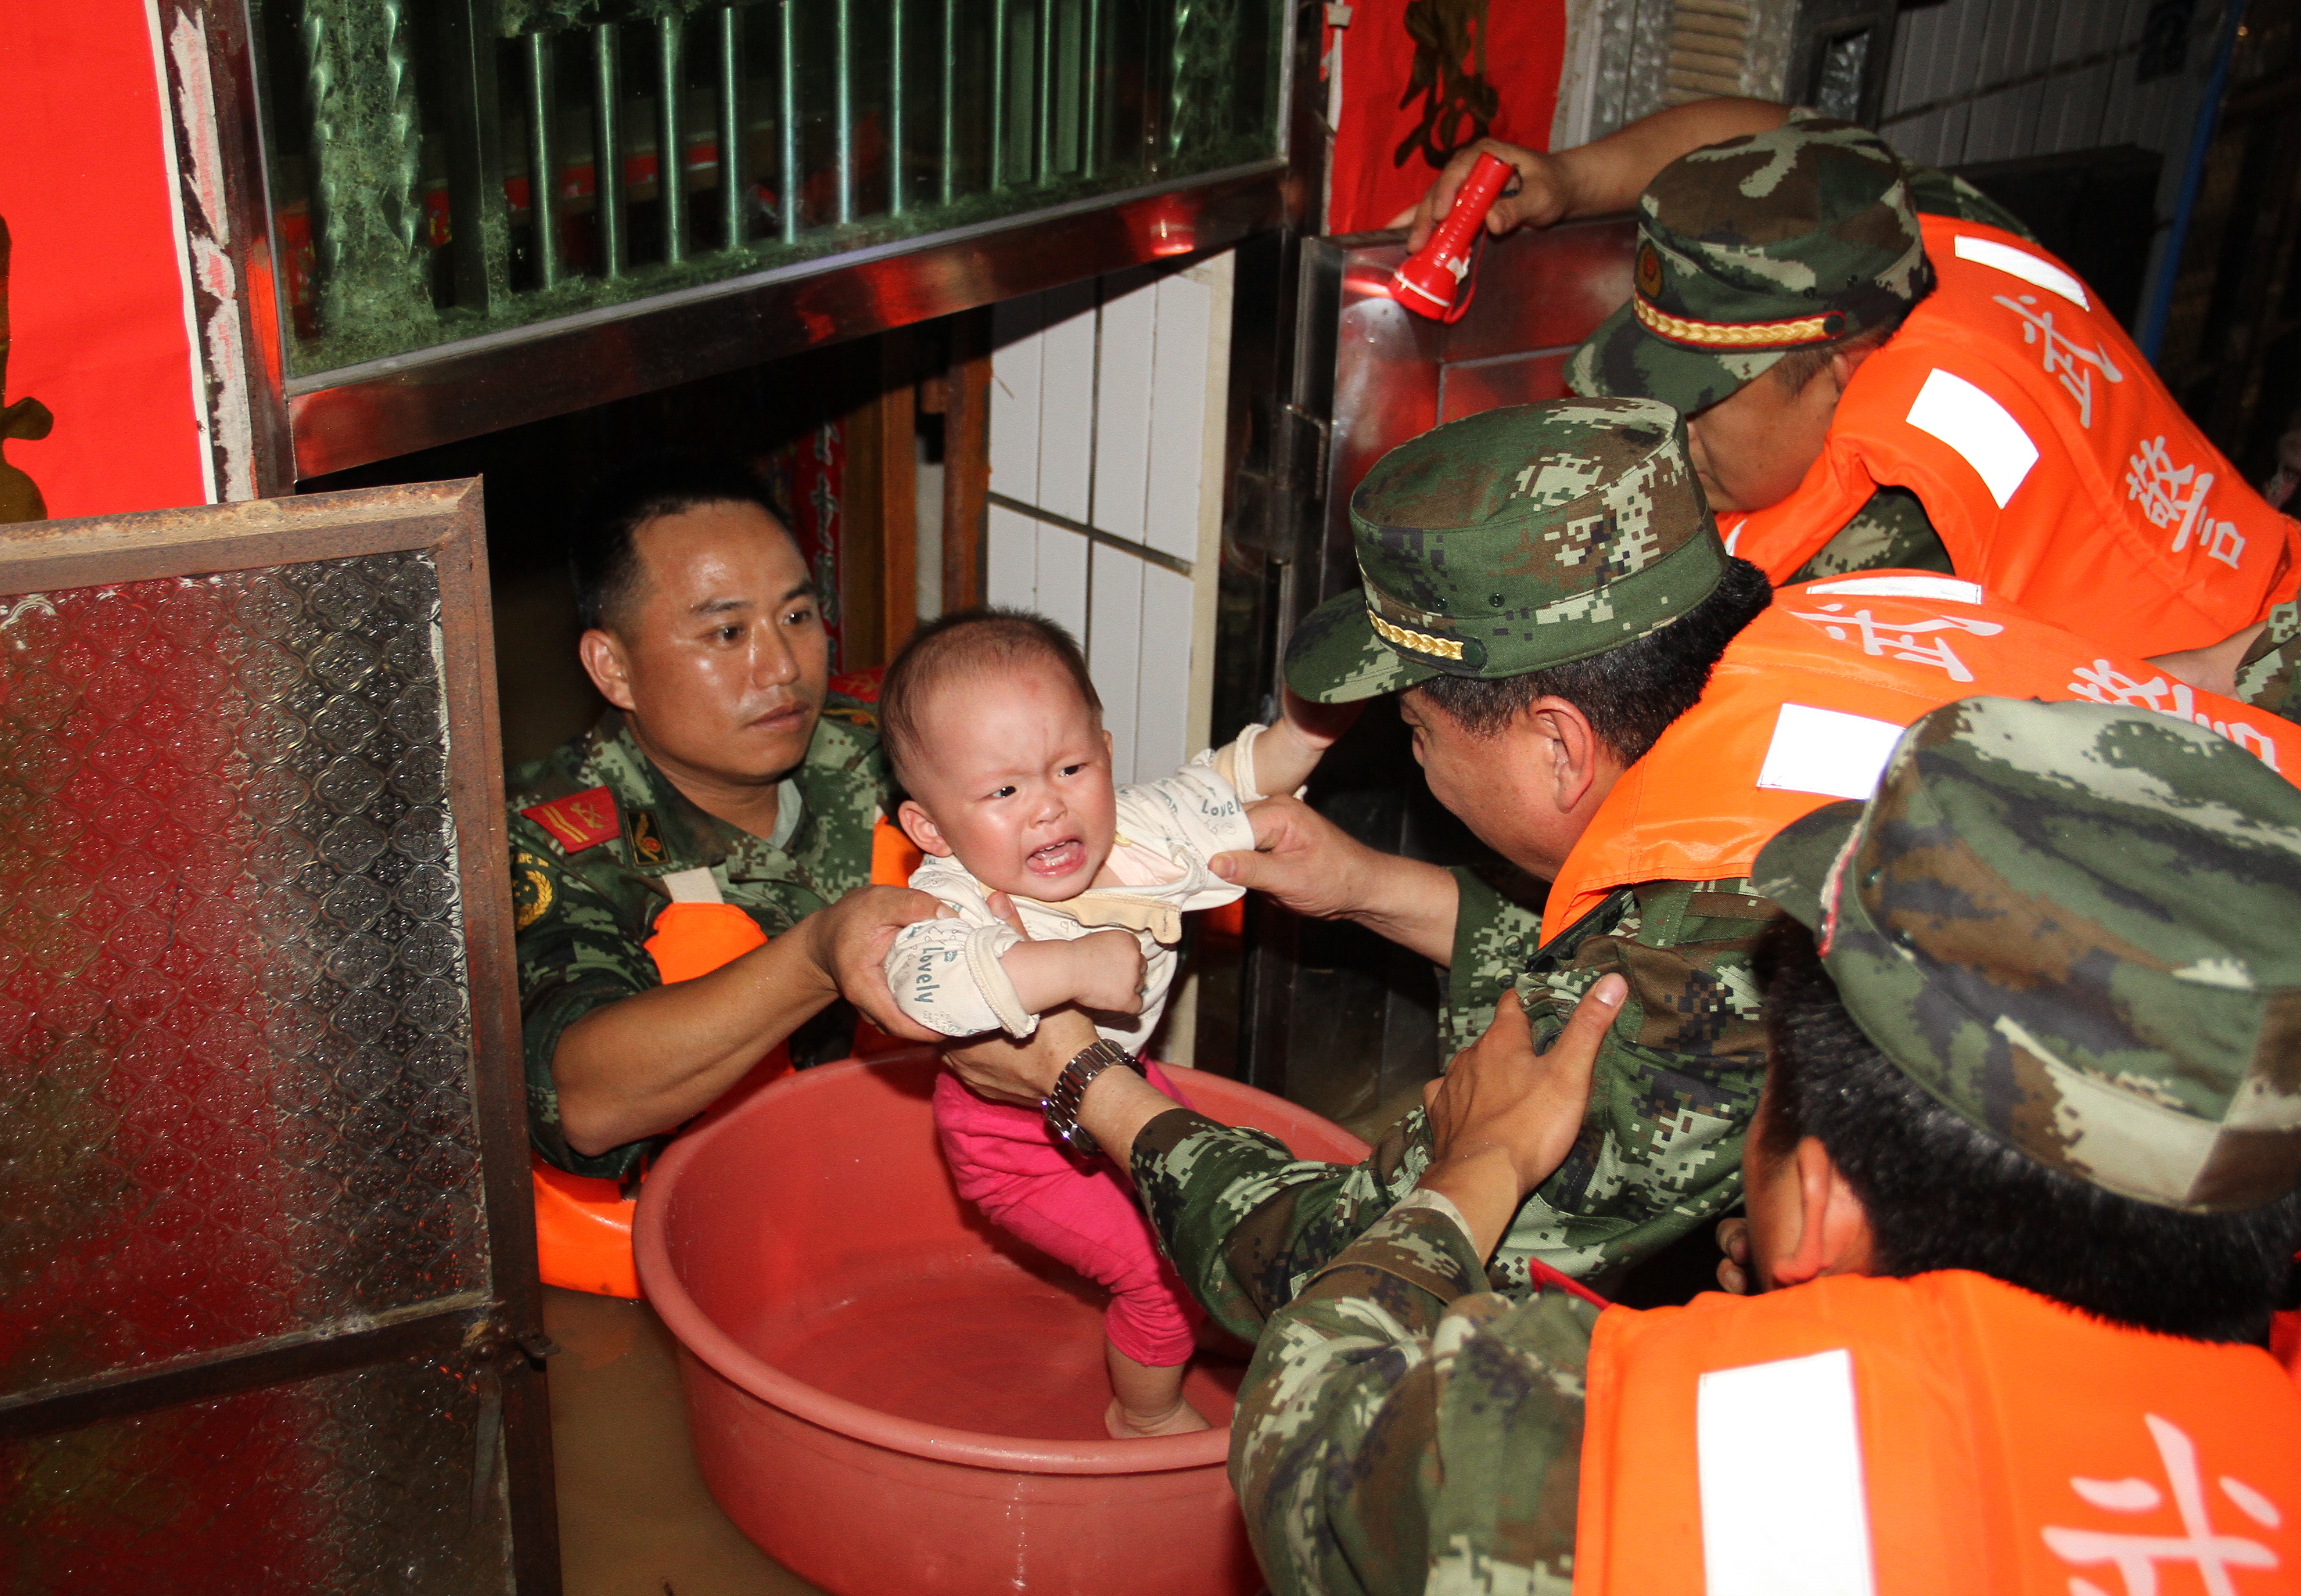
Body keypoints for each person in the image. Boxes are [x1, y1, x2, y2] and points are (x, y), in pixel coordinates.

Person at [962, 396, 2298, 1341]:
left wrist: (1086, 1080)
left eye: (1418, 734)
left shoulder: (1696, 963)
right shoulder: (1837, 615)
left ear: (1556, 742)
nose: (1414, 769)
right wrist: (1371, 885)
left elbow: (1329, 1278)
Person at [980, 696, 2301, 1591]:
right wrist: (1371, 886)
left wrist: (1473, 1167)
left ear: (1815, 1208)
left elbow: (1313, 1431)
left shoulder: (1668, 1445)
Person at [1399, 103, 2300, 695]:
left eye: (1699, 400)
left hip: (2235, 747)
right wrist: (1572, 177)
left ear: (1843, 361)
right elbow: (1790, 158)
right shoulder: (1916, 239)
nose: (1664, 433)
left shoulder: (1888, 539)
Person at [877, 608, 1346, 1436]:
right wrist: (1068, 968)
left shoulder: (1137, 829)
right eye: (1004, 790)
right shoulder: (949, 893)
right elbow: (923, 986)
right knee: (1153, 1269)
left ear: (1107, 750)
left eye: (1070, 767)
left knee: (1205, 1210)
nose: (1049, 809)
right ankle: (1145, 1413)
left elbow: (1237, 779)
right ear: (930, 828)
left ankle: (1221, 1310)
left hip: (1123, 1083)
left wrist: (1310, 726)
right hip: (1012, 1140)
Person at [508, 455, 935, 1295]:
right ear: (613, 668)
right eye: (726, 633)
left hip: (899, 1201)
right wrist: (817, 957)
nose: (781, 667)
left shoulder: (885, 746)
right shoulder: (547, 838)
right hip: (679, 1256)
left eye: (799, 616)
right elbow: (582, 1102)